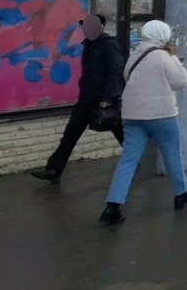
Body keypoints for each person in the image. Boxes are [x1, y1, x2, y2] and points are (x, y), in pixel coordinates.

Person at [99, 21, 187, 225]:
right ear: (163, 34)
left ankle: (113, 206)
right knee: (172, 153)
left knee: (128, 160)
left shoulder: (135, 53)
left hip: (132, 115)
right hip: (161, 114)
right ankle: (181, 194)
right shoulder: (164, 55)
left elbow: (127, 76)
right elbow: (180, 81)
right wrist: (178, 63)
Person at [31, 14, 125, 183]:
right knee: (71, 133)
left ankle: (133, 159)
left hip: (102, 99)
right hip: (87, 98)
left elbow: (116, 71)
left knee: (120, 131)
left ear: (102, 27)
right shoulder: (88, 45)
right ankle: (54, 170)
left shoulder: (108, 45)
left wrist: (109, 97)